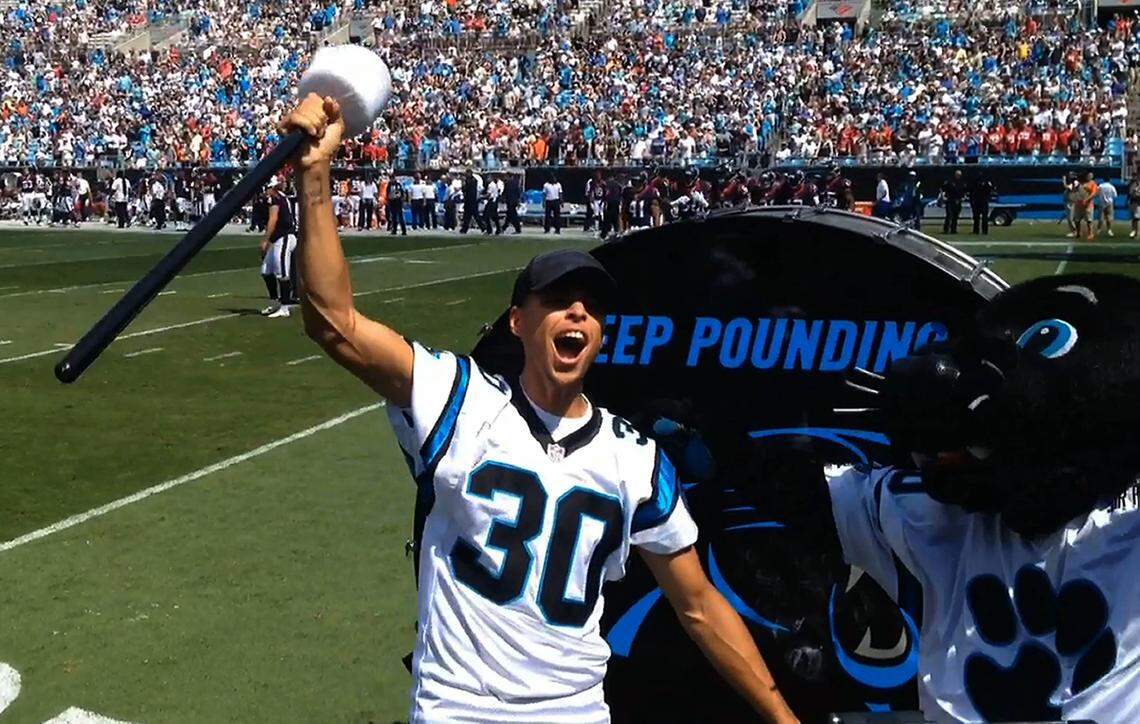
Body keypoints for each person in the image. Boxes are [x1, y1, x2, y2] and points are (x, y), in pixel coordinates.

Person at [281, 92, 799, 724]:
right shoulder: (459, 398)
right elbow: (334, 324)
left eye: (591, 304)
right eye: (558, 298)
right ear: (518, 320)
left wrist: (782, 717)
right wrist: (314, 173)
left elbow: (698, 606)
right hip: (459, 710)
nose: (577, 311)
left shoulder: (634, 460)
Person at [259, 176, 298, 318]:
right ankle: (275, 302)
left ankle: (285, 307)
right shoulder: (281, 197)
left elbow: (273, 218)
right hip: (279, 238)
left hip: (284, 237)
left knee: (282, 272)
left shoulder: (275, 198)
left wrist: (265, 240)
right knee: (266, 271)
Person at [940, 170, 966, 234]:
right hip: (950, 200)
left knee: (955, 216)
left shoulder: (961, 183)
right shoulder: (950, 182)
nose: (958, 176)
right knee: (949, 215)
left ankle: (953, 229)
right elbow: (942, 189)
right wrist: (943, 197)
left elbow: (964, 191)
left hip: (958, 201)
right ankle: (946, 229)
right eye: (957, 175)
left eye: (959, 175)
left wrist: (963, 197)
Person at [1074, 172, 1098, 242]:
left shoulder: (1093, 184)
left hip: (1088, 205)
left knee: (1089, 220)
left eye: (1091, 176)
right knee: (1077, 220)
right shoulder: (1078, 183)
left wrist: (1086, 200)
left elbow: (1093, 194)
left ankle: (1090, 233)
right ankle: (1078, 233)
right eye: (1088, 175)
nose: (1089, 177)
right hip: (1078, 204)